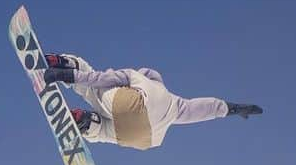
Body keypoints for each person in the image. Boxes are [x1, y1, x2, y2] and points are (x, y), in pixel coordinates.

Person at [42, 54, 262, 151]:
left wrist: (69, 77)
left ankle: (67, 64)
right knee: (107, 132)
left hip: (131, 104)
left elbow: (101, 78)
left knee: (94, 89)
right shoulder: (176, 104)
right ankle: (88, 124)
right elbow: (205, 108)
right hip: (145, 139)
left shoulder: (135, 76)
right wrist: (234, 108)